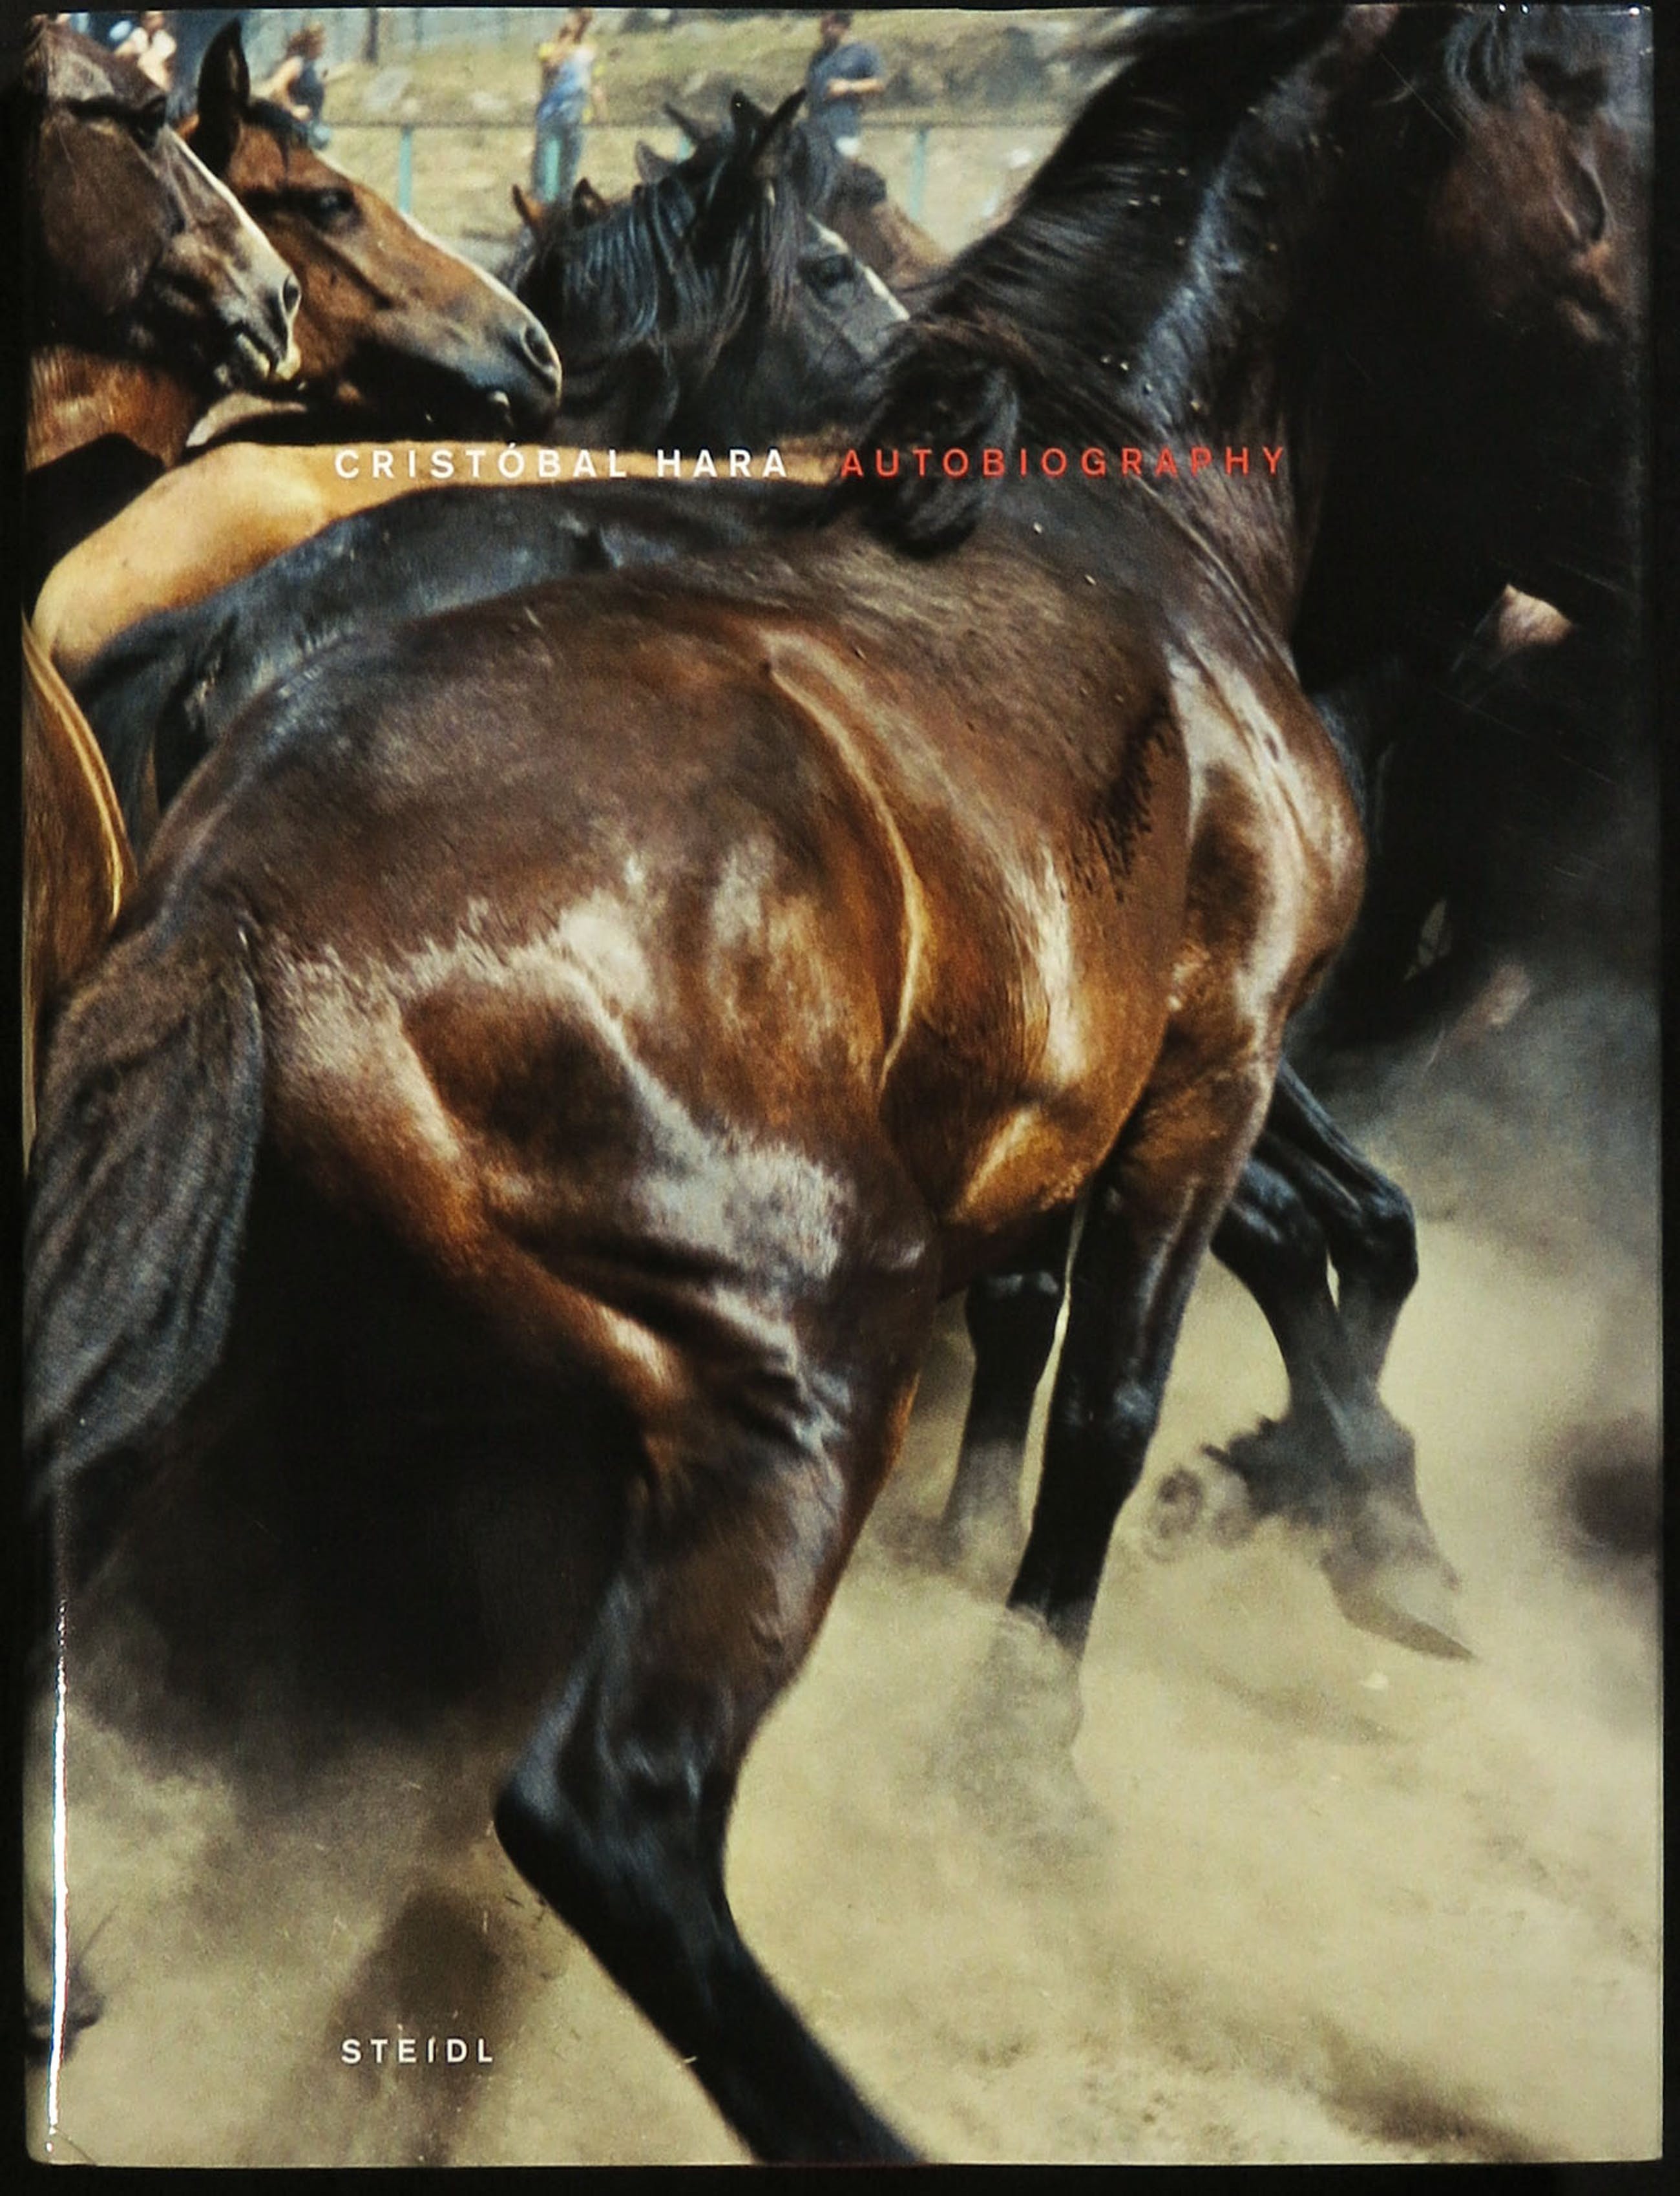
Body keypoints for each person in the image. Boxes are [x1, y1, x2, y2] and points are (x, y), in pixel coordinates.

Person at [533, 9, 605, 205]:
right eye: (579, 18)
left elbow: (595, 82)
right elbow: (551, 66)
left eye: (585, 21)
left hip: (577, 117)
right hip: (551, 118)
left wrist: (601, 111)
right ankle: (543, 213)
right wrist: (567, 39)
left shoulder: (590, 49)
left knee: (569, 174)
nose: (581, 24)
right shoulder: (549, 46)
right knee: (547, 175)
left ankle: (564, 212)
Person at [804, 10, 883, 160]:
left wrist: (848, 87)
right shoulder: (819, 57)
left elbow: (877, 83)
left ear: (842, 25)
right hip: (815, 134)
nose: (822, 31)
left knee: (843, 173)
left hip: (843, 133)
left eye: (827, 25)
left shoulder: (863, 52)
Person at [261, 23, 331, 148]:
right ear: (313, 44)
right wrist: (293, 109)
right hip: (296, 129)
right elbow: (277, 86)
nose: (324, 46)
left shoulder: (311, 66)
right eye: (322, 42)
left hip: (311, 128)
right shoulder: (296, 63)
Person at [112, 10, 176, 92]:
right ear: (144, 21)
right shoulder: (138, 36)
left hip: (159, 89)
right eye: (151, 19)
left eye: (159, 18)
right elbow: (119, 56)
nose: (157, 22)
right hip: (140, 88)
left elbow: (171, 71)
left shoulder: (167, 43)